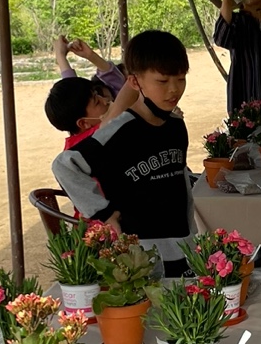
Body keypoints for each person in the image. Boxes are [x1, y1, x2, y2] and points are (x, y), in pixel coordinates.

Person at [52, 29, 194, 277]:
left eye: (181, 79)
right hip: (140, 256)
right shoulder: (120, 131)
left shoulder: (175, 126)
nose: (174, 89)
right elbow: (65, 165)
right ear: (135, 82)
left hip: (183, 247)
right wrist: (104, 213)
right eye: (162, 81)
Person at [45, 36, 129, 150]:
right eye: (97, 102)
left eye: (98, 95)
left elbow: (72, 90)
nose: (106, 100)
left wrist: (61, 56)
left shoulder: (76, 146)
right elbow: (124, 87)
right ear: (84, 123)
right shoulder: (102, 135)